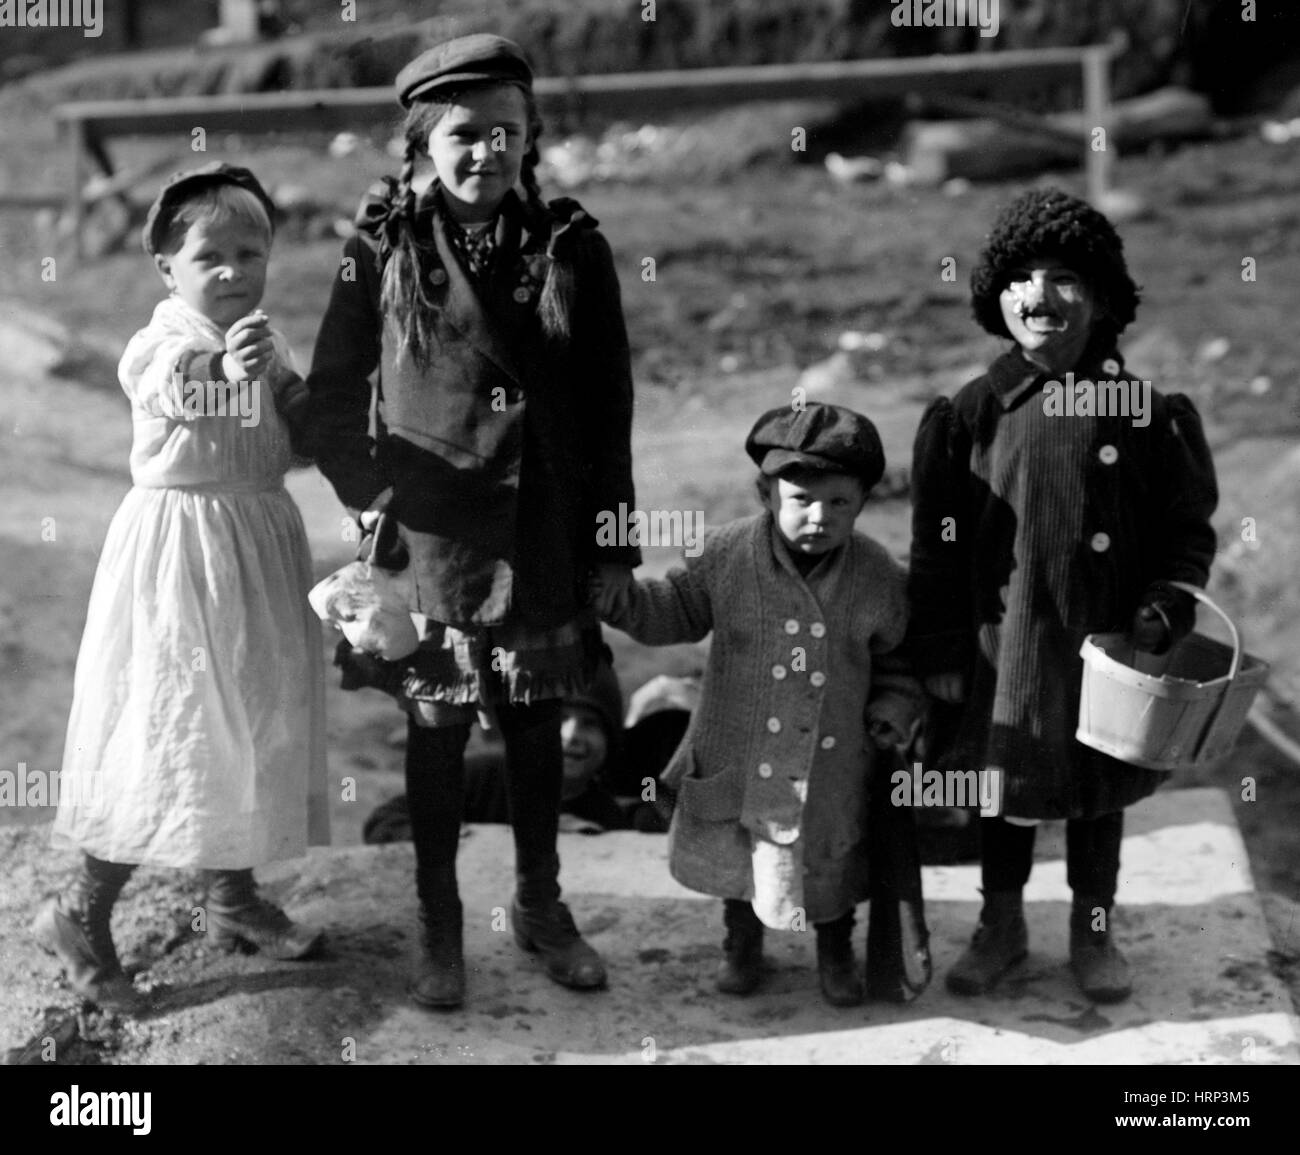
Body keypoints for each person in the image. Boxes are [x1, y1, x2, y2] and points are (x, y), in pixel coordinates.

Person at [306, 33, 640, 1010]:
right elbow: (330, 398)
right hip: (432, 543)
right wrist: (372, 496)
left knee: (534, 727)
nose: (485, 152)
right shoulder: (382, 248)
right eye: (463, 134)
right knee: (438, 728)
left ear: (531, 137)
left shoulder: (570, 244)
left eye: (505, 132)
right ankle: (442, 925)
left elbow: (606, 402)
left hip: (542, 525)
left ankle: (540, 907)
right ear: (421, 141)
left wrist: (611, 542)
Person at [907, 187, 1219, 1003]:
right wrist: (939, 650)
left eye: (1065, 278)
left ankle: (1093, 929)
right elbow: (935, 550)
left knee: (1095, 790)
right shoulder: (970, 415)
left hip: (1105, 646)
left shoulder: (1144, 415)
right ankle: (1000, 924)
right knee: (1001, 787)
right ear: (994, 297)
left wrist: (1166, 603)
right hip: (1001, 646)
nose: (1040, 295)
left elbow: (1186, 533)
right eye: (1020, 278)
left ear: (1105, 299)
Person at [34, 163, 330, 1013]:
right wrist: (231, 369)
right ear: (168, 268)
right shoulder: (159, 345)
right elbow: (181, 388)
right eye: (211, 256)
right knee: (169, 731)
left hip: (259, 543)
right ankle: (78, 913)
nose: (234, 270)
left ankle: (231, 899)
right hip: (180, 558)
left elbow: (300, 439)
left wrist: (328, 413)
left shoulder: (265, 342)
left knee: (247, 720)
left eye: (252, 251)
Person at [597, 402, 923, 1007]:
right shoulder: (725, 556)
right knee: (739, 857)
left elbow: (900, 662)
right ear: (766, 495)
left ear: (862, 503)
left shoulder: (877, 575)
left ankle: (835, 951)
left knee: (830, 859)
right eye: (801, 499)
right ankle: (741, 945)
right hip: (739, 751)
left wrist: (894, 709)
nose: (819, 516)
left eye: (839, 502)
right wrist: (618, 600)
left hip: (830, 760)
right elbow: (671, 610)